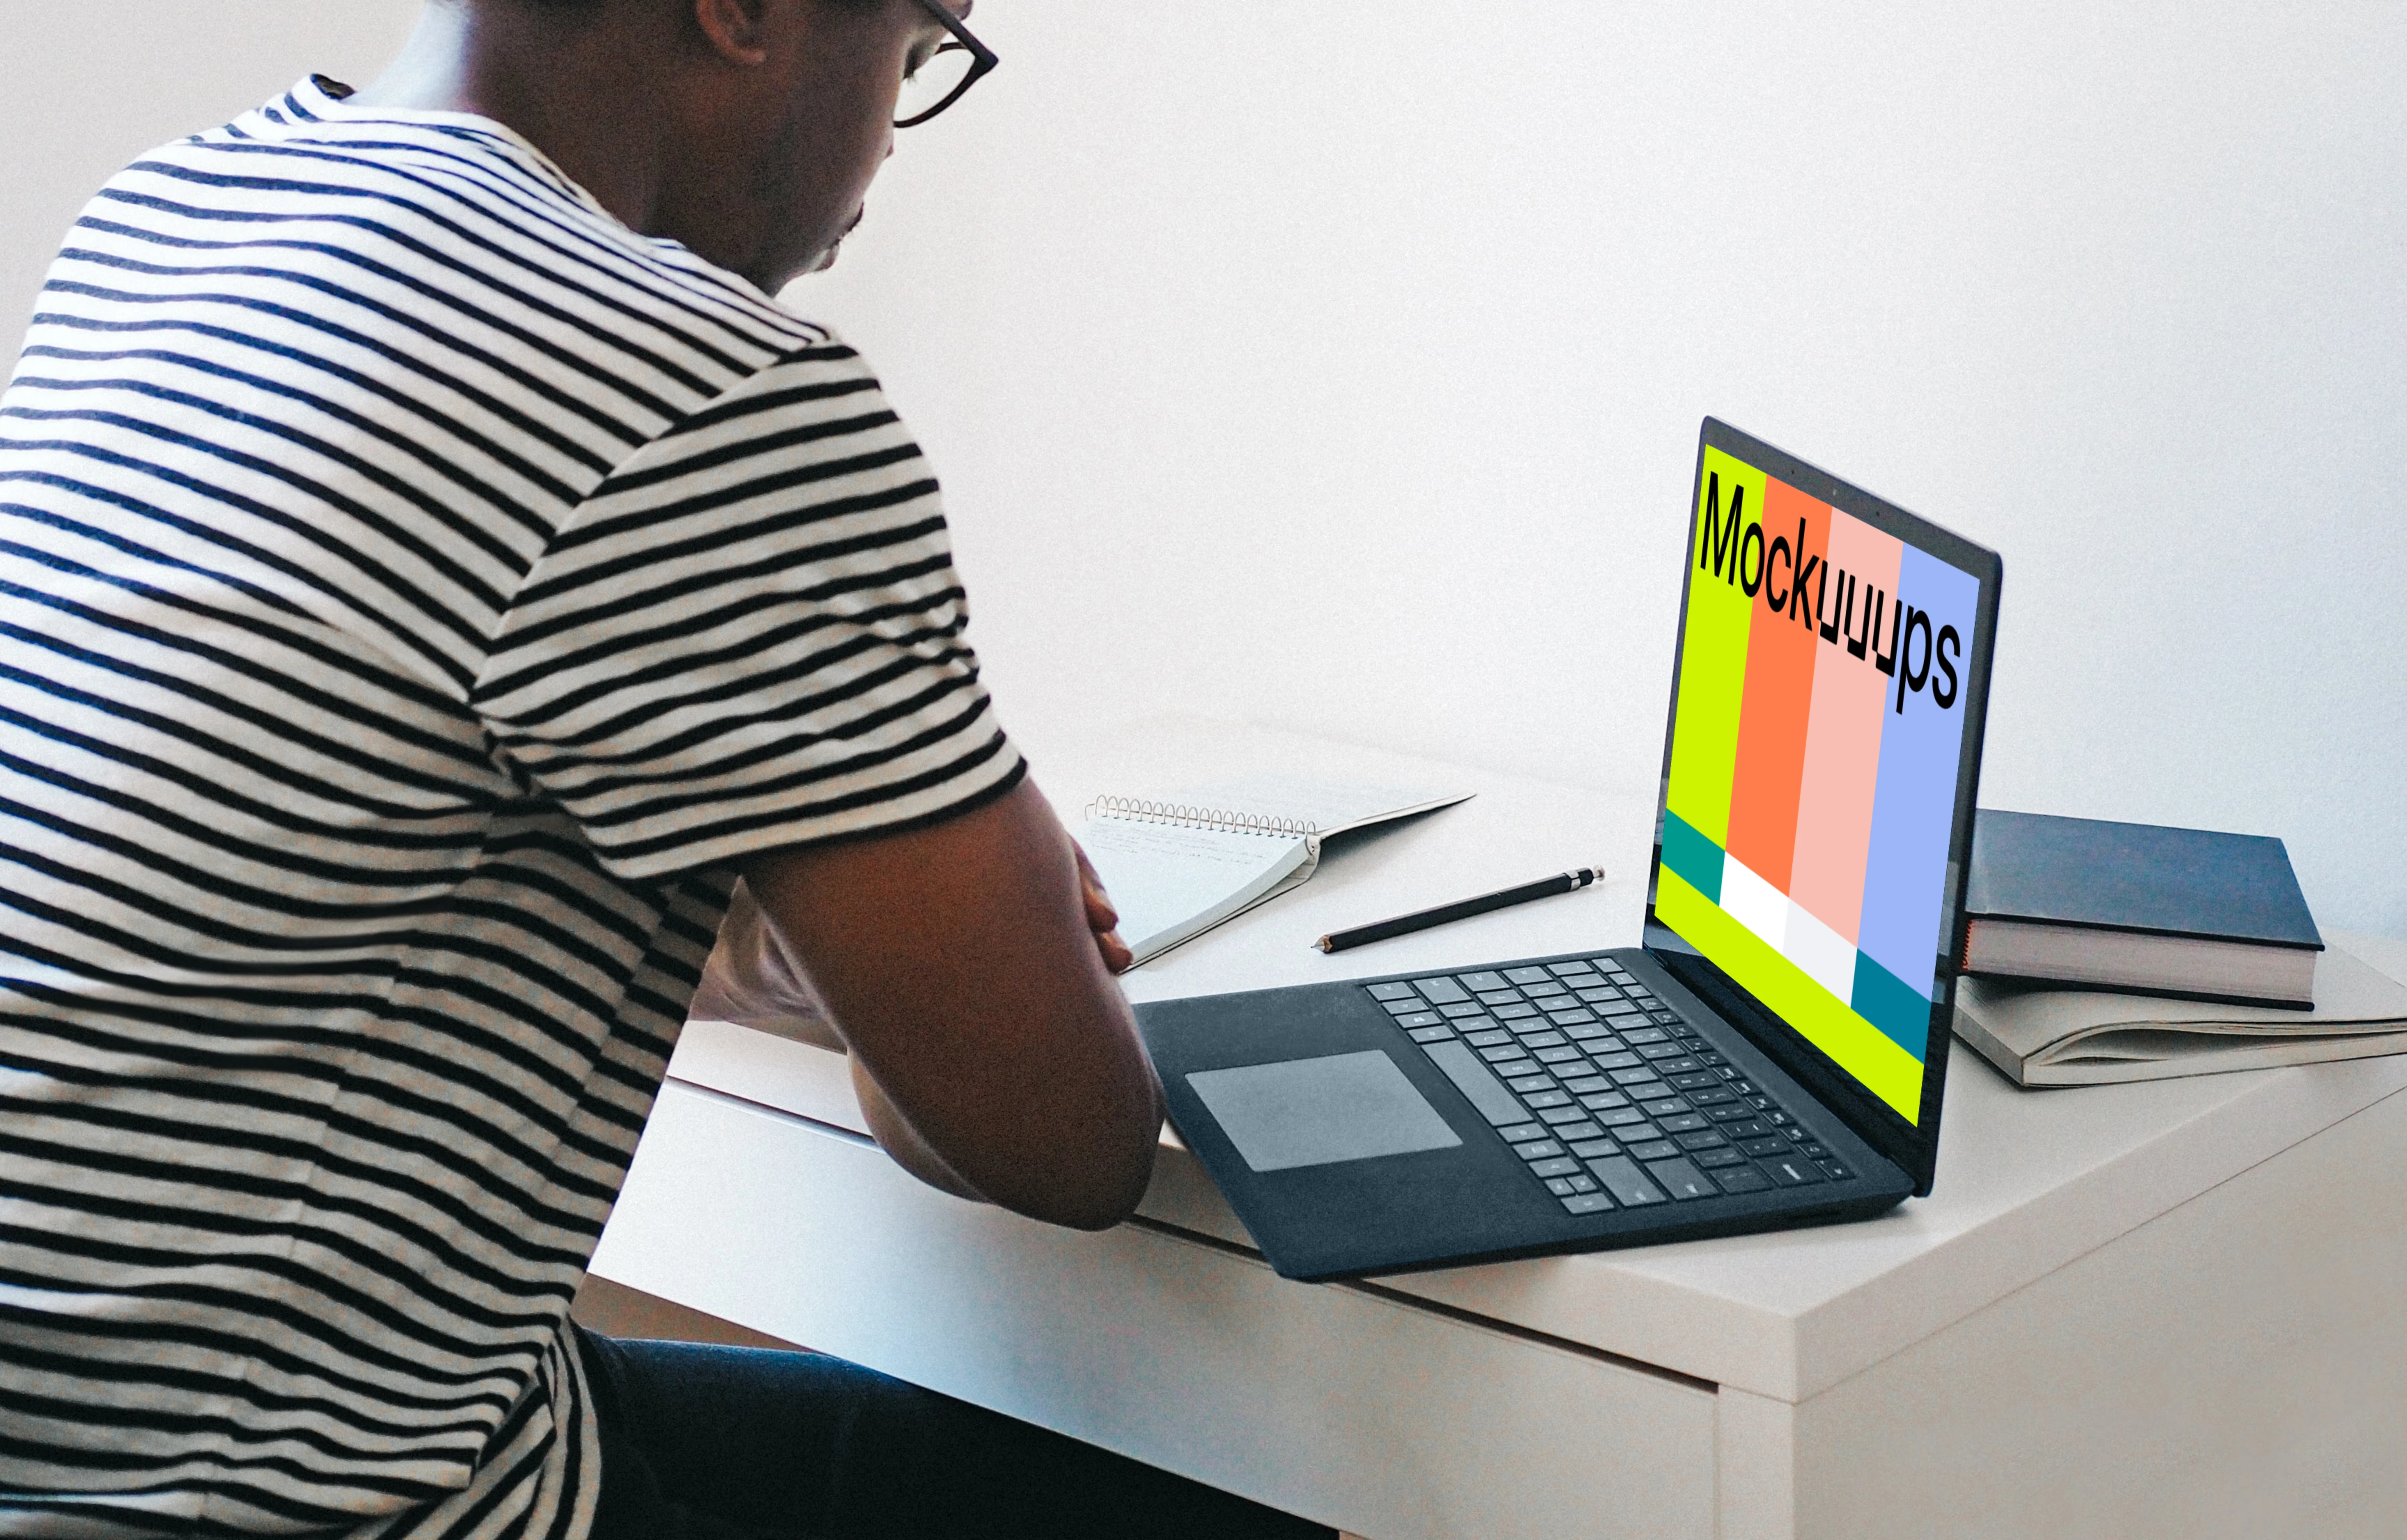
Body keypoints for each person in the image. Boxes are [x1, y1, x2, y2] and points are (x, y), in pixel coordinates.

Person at [0, 0, 1332, 1535]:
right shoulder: (695, 383)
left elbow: (289, 858)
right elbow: (1068, 1137)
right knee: (1241, 1492)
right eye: (911, 49)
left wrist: (801, 912)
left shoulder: (173, 215)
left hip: (78, 1446)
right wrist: (934, 892)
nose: (890, 140)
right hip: (287, 1503)